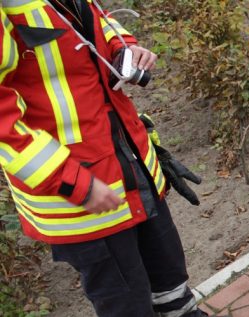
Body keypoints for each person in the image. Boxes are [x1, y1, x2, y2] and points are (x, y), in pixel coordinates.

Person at [0, 0, 206, 316]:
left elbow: (92, 16)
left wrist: (122, 47)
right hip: (80, 199)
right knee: (127, 306)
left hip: (130, 169)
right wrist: (71, 181)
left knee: (172, 285)